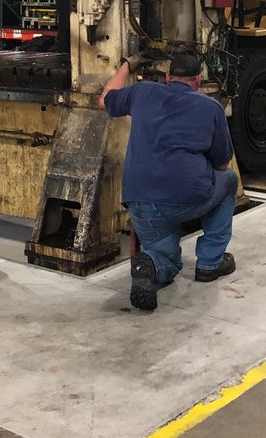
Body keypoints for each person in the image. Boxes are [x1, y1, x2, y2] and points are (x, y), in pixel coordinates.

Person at [99, 48, 239, 312]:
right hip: (187, 199)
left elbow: (105, 100)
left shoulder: (141, 92)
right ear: (199, 80)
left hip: (140, 201)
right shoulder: (211, 108)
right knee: (229, 181)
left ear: (168, 77)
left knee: (167, 260)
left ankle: (151, 264)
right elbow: (222, 164)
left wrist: (127, 65)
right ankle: (209, 263)